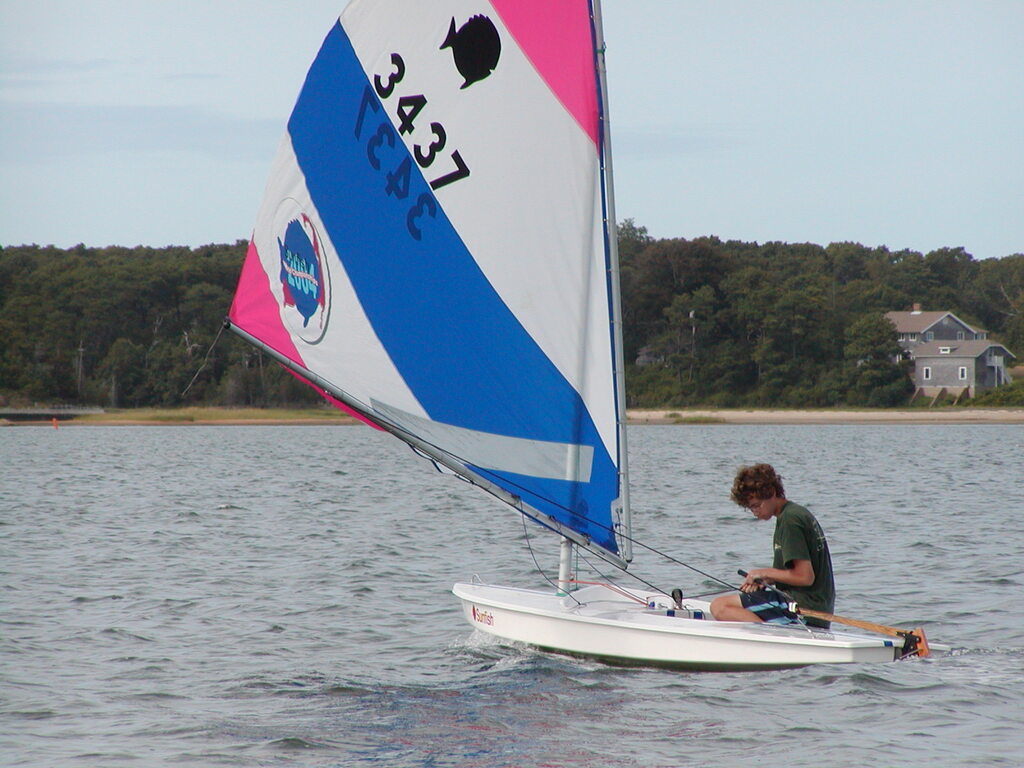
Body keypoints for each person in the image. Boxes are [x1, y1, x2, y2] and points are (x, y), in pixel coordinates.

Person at [709, 464, 835, 629]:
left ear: (772, 492)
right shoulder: (793, 514)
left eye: (756, 505)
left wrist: (763, 572)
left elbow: (805, 577)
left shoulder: (790, 520)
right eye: (749, 508)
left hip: (804, 609)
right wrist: (767, 579)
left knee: (720, 606)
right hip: (814, 605)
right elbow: (797, 575)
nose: (754, 512)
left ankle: (770, 637)